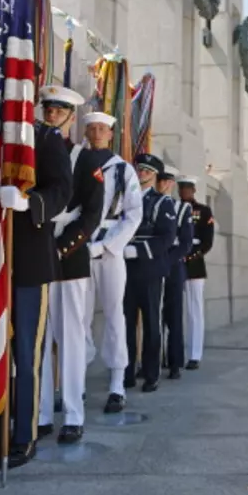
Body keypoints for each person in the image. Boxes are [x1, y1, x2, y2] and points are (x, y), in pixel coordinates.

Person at [0, 88, 73, 470]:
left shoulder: (44, 138)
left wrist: (31, 203)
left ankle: (23, 436)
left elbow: (61, 190)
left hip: (28, 260)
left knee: (25, 353)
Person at [35, 86, 105, 444]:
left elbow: (92, 214)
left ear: (71, 116)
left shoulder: (87, 159)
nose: (52, 114)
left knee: (71, 339)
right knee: (38, 340)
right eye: (48, 108)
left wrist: (63, 247)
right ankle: (42, 413)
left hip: (68, 254)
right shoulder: (31, 151)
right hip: (34, 251)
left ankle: (73, 414)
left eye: (60, 110)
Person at [81, 112, 143, 413]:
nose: (96, 133)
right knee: (79, 315)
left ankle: (117, 382)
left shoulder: (122, 170)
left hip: (109, 249)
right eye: (91, 128)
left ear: (111, 133)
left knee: (114, 313)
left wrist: (107, 245)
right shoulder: (76, 161)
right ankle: (75, 380)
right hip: (78, 245)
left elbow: (133, 214)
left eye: (101, 129)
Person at [123, 153, 176, 392]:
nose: (141, 174)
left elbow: (166, 238)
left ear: (155, 175)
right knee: (125, 323)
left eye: (146, 170)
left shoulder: (162, 203)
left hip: (150, 270)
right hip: (126, 269)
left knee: (152, 323)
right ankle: (127, 372)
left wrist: (138, 250)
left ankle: (151, 373)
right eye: (139, 169)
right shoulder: (125, 198)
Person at [157, 171, 194, 378]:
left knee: (173, 315)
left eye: (166, 182)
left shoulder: (182, 208)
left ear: (171, 184)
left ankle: (174, 362)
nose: (163, 185)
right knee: (154, 316)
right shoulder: (151, 204)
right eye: (160, 182)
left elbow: (186, 243)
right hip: (154, 266)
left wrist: (167, 260)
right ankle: (153, 360)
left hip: (172, 266)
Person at [178, 176, 214, 369]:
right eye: (181, 189)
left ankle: (194, 354)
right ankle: (173, 353)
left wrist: (190, 256)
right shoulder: (174, 208)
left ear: (193, 190)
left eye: (187, 189)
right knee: (173, 311)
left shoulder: (203, 211)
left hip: (194, 265)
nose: (183, 192)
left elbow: (207, 241)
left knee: (194, 311)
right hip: (175, 264)